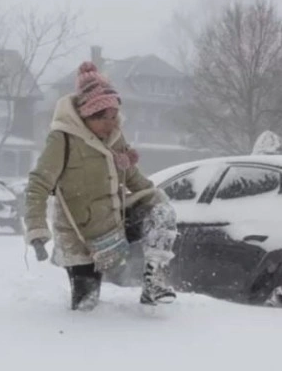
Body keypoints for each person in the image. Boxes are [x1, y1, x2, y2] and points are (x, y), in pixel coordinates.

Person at [24, 62, 179, 311]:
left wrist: (156, 198)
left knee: (161, 210)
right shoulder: (62, 138)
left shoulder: (115, 137)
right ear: (86, 115)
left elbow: (133, 178)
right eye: (102, 117)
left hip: (115, 222)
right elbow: (38, 184)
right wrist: (37, 229)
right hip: (80, 235)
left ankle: (155, 283)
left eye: (113, 115)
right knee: (86, 305)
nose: (110, 123)